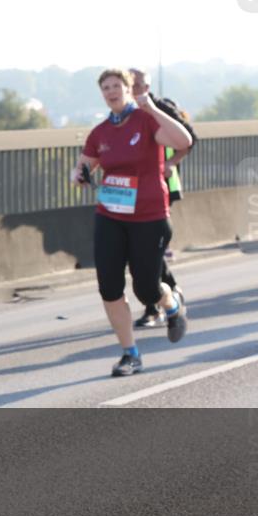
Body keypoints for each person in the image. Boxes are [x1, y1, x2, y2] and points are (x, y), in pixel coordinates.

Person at [71, 68, 192, 377]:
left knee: (146, 289)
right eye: (105, 88)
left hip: (150, 217)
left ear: (127, 89)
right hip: (111, 216)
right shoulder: (100, 132)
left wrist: (149, 106)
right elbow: (84, 167)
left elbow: (183, 140)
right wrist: (79, 175)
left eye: (116, 86)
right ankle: (130, 354)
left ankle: (171, 303)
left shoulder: (146, 120)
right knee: (109, 288)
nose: (111, 91)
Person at [128, 68, 197, 329]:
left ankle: (154, 306)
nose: (137, 90)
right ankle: (168, 293)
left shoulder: (161, 107)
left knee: (147, 249)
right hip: (132, 191)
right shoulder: (124, 112)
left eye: (140, 84)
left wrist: (170, 162)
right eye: (132, 85)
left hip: (161, 186)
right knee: (140, 250)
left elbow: (190, 139)